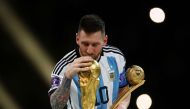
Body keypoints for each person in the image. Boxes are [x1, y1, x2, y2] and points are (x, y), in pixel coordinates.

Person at [48, 14, 131, 109]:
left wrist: (123, 105)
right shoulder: (63, 67)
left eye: (95, 45)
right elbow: (55, 105)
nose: (89, 51)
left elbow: (124, 88)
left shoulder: (116, 57)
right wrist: (67, 77)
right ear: (77, 39)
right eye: (85, 44)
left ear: (105, 41)